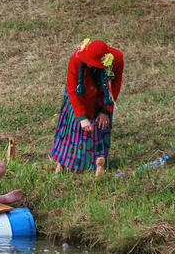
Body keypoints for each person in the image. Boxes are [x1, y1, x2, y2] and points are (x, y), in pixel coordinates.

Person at [50, 38, 124, 176]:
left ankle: (95, 165)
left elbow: (115, 85)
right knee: (73, 128)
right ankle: (63, 162)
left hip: (102, 98)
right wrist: (82, 117)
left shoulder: (117, 59)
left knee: (100, 127)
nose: (90, 64)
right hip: (79, 96)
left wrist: (105, 110)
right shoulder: (76, 59)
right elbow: (72, 90)